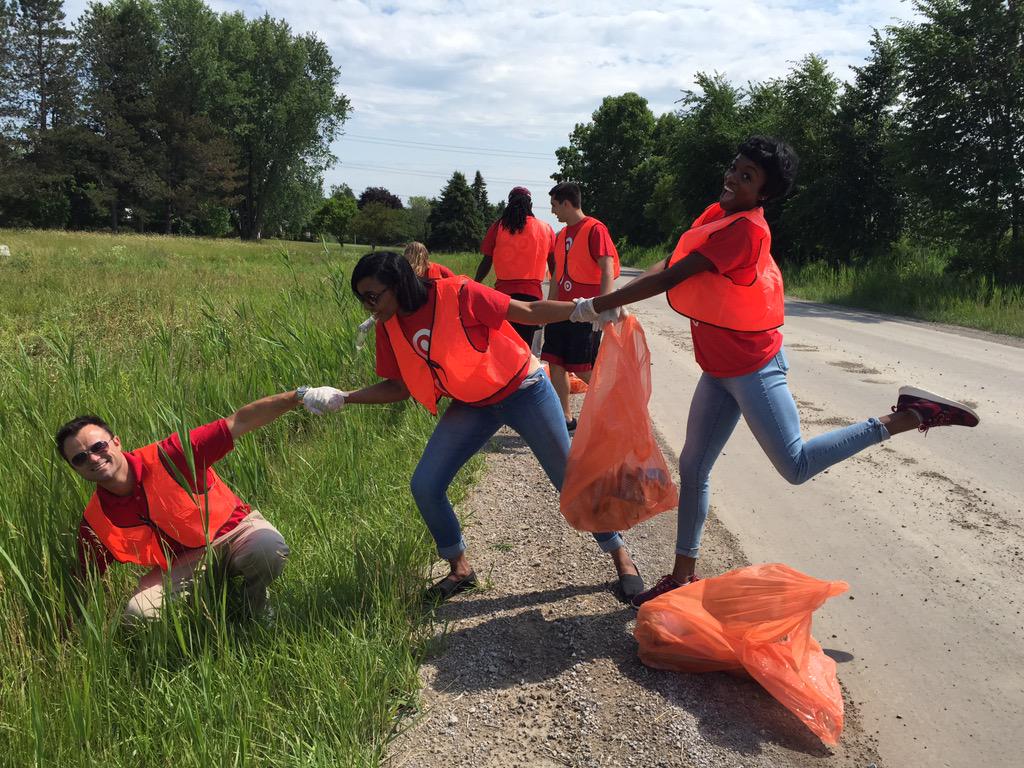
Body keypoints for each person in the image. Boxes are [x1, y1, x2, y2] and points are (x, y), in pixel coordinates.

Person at [565, 136, 981, 607]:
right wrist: (618, 294)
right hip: (718, 368)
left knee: (795, 466)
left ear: (763, 193)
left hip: (753, 367)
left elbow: (671, 279)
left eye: (747, 178)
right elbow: (670, 262)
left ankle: (907, 416)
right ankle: (682, 576)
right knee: (694, 466)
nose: (733, 179)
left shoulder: (746, 230)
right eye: (735, 168)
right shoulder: (717, 213)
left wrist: (596, 304)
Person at [310, 250, 644, 603]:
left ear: (398, 283)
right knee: (425, 485)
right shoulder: (388, 327)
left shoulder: (460, 293)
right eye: (363, 300)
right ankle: (460, 568)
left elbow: (527, 311)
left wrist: (583, 308)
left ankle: (621, 557)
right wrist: (345, 397)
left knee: (568, 480)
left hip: (523, 388)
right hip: (472, 404)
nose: (369, 307)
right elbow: (398, 387)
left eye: (373, 296)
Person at [60, 387, 338, 622]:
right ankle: (207, 606)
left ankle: (255, 607)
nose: (93, 459)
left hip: (234, 532)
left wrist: (300, 395)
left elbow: (240, 421)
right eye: (80, 458)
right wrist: (67, 627)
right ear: (74, 469)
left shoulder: (171, 454)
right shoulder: (95, 520)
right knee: (138, 614)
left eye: (98, 447)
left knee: (268, 549)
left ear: (116, 442)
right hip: (180, 565)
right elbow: (86, 576)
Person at [543, 182, 620, 432]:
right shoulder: (561, 235)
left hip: (585, 312)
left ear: (566, 203)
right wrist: (549, 310)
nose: (553, 211)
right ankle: (566, 419)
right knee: (556, 363)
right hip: (562, 310)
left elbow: (607, 268)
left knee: (584, 368)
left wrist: (604, 306)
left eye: (555, 205)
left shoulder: (595, 229)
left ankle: (616, 411)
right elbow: (556, 277)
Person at [475, 186, 556, 344]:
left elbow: (486, 261)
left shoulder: (498, 227)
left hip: (503, 296)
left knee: (504, 345)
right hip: (532, 298)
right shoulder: (545, 228)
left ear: (509, 203)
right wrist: (556, 294)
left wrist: (475, 282)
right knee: (525, 346)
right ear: (530, 205)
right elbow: (554, 265)